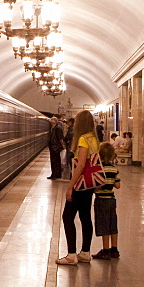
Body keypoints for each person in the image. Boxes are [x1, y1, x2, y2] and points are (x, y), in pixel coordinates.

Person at [56, 110, 100, 265]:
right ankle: (85, 252)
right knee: (85, 216)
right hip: (89, 185)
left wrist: (70, 186)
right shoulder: (93, 138)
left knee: (67, 216)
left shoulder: (82, 139)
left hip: (80, 184)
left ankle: (71, 254)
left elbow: (80, 165)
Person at [91, 142, 121, 260]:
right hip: (111, 200)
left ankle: (105, 250)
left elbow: (96, 186)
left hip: (101, 200)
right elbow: (117, 185)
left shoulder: (98, 169)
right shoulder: (114, 169)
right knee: (113, 223)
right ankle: (115, 249)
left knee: (104, 225)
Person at [46, 116, 65, 180]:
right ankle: (54, 174)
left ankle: (56, 174)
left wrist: (62, 145)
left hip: (55, 147)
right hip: (53, 147)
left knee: (55, 161)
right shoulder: (54, 128)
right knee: (55, 161)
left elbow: (60, 138)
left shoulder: (57, 128)